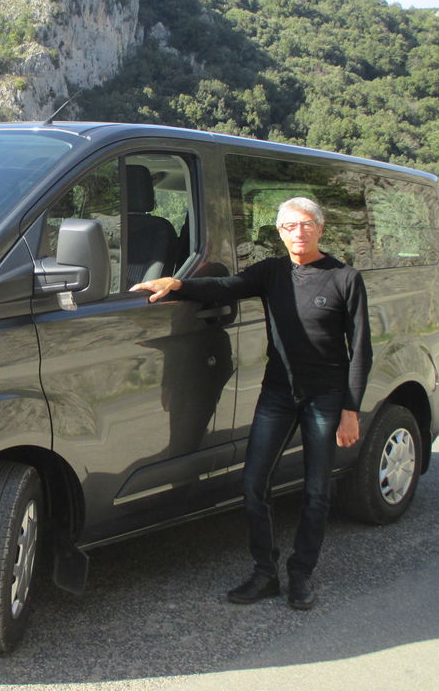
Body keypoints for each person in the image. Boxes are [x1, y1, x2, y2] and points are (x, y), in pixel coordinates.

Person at [131, 197, 371, 610]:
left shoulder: (344, 278)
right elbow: (226, 287)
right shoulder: (272, 272)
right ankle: (265, 572)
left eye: (307, 224)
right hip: (278, 392)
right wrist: (176, 284)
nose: (299, 232)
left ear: (320, 227)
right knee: (253, 484)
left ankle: (301, 574)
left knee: (316, 492)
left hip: (326, 396)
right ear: (279, 232)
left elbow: (361, 350)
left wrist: (350, 411)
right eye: (290, 226)